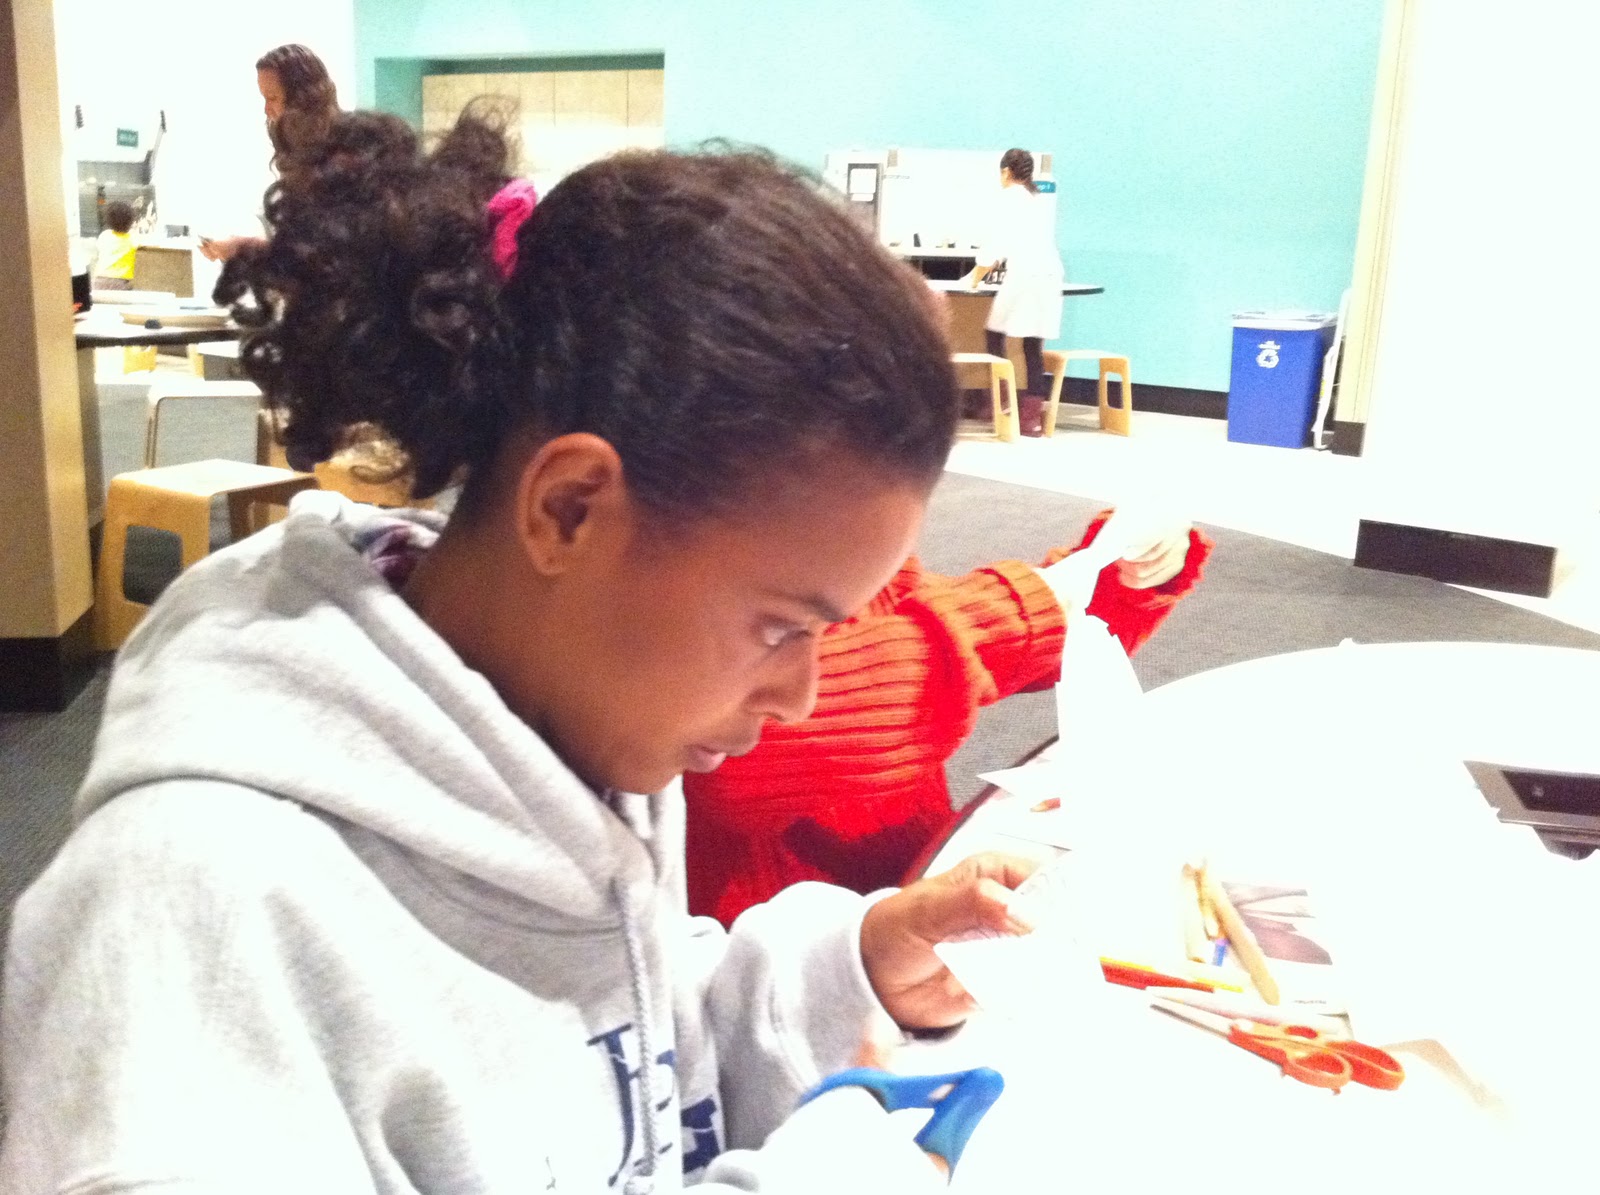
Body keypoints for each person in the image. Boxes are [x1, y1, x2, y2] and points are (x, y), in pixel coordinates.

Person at [0, 110, 1035, 1191]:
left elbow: (628, 1049)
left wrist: (848, 971)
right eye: (782, 626)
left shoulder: (573, 728)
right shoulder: (195, 928)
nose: (802, 695)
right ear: (571, 509)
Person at [685, 513, 1213, 925]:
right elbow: (752, 743)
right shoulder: (706, 572)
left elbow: (984, 651)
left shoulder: (837, 536)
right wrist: (1024, 611)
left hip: (913, 875)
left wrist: (1111, 576)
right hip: (774, 940)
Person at [199, 43, 339, 263]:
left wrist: (249, 249)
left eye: (272, 98)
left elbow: (324, 253)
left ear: (302, 98)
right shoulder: (293, 149)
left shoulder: (338, 158)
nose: (266, 110)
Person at [967, 148, 1064, 436]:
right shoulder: (1037, 198)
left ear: (1006, 171)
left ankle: (999, 403)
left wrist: (973, 280)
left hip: (1026, 276)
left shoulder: (1009, 197)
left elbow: (994, 248)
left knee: (994, 334)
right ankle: (1031, 418)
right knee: (1032, 346)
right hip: (1049, 275)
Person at [92, 200, 137, 290]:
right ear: (131, 221)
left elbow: (99, 248)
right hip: (120, 281)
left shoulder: (104, 235)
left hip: (99, 278)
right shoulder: (133, 238)